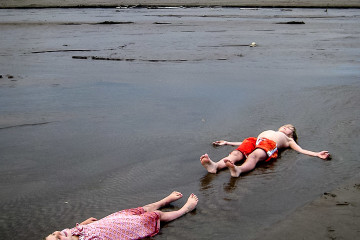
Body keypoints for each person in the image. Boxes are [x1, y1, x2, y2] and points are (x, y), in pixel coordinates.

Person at [45, 191, 198, 240]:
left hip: (110, 222)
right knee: (154, 216)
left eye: (53, 233)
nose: (58, 233)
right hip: (120, 231)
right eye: (57, 238)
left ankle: (162, 201)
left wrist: (84, 223)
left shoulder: (66, 233)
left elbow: (71, 230)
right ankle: (183, 210)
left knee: (138, 210)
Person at [200, 124, 330, 177]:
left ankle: (239, 169)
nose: (286, 127)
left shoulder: (288, 139)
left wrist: (317, 154)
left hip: (269, 145)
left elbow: (301, 150)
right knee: (236, 153)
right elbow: (244, 142)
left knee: (254, 156)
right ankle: (215, 166)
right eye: (285, 125)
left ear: (291, 134)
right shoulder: (272, 131)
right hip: (256, 140)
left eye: (289, 128)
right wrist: (227, 142)